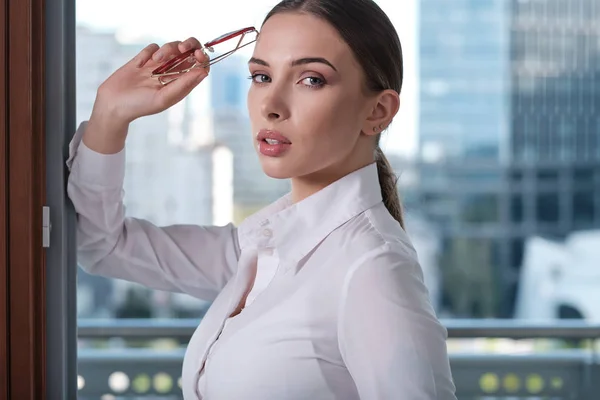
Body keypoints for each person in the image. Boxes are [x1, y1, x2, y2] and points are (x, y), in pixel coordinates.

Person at [66, 0, 457, 398]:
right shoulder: (258, 248)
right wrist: (110, 116)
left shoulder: (373, 268)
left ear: (378, 110)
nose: (270, 107)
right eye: (261, 76)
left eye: (311, 80)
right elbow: (104, 245)